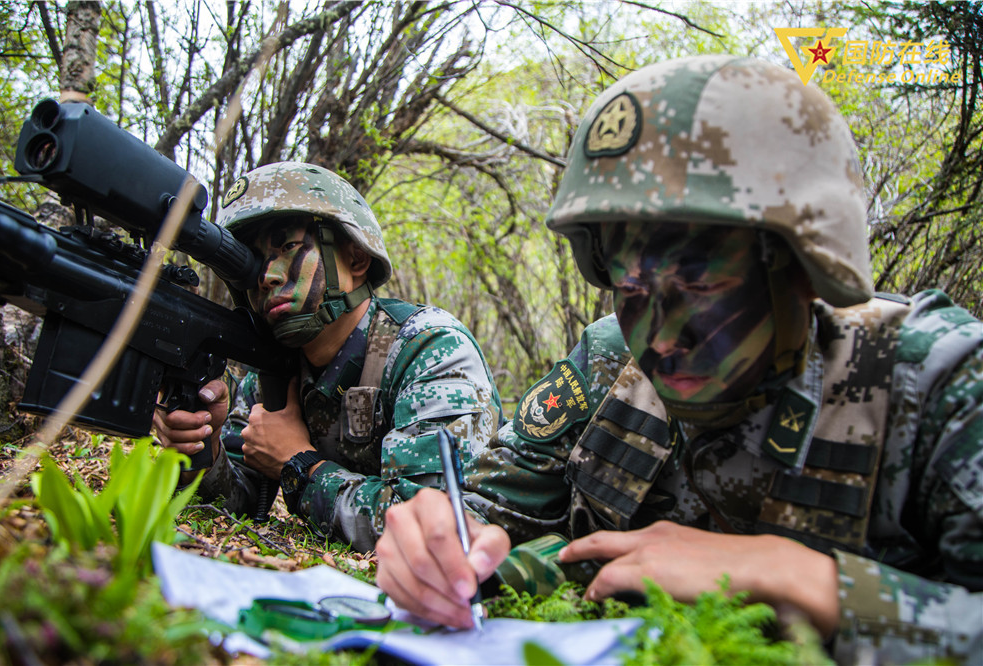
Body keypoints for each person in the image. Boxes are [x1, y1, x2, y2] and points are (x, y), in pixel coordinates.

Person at [374, 55, 983, 664]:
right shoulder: (610, 365)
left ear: (806, 266)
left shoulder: (934, 384)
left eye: (700, 283)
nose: (660, 339)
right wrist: (440, 545)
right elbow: (488, 521)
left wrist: (812, 581)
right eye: (631, 289)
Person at [153, 162, 502, 553]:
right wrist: (205, 446)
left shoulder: (429, 349)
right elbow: (234, 506)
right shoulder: (273, 370)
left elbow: (436, 531)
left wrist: (298, 463)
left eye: (287, 248)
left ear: (355, 259)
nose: (267, 276)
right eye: (251, 261)